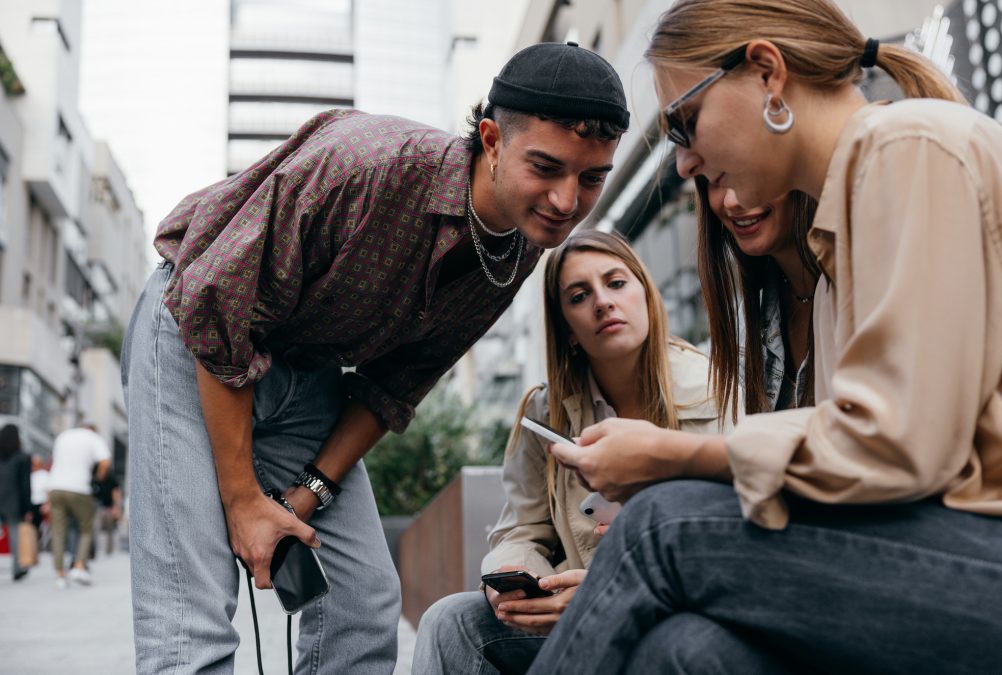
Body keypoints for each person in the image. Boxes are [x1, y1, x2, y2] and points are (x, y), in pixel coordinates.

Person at [527, 1, 1002, 673]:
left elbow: (900, 445)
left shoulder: (910, 148)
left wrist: (677, 456)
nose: (683, 163)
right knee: (686, 651)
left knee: (659, 528)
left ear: (767, 73)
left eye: (684, 122)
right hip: (979, 549)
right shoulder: (836, 261)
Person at [121, 41, 629, 674]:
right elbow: (220, 309)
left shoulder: (520, 247)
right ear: (493, 139)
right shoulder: (367, 163)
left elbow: (396, 384)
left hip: (307, 374)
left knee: (363, 600)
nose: (564, 201)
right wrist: (244, 499)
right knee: (191, 613)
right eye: (546, 168)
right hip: (195, 333)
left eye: (591, 178)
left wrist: (308, 492)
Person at [412, 230, 727, 674]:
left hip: (682, 608)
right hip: (579, 613)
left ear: (647, 296)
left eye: (616, 283)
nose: (602, 302)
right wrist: (519, 584)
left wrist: (610, 586)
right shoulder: (546, 413)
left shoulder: (720, 389)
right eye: (579, 296)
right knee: (451, 621)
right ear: (568, 330)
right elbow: (520, 531)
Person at [695, 180, 819, 415]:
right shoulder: (744, 326)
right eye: (714, 180)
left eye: (740, 170)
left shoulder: (863, 281)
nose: (731, 202)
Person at [47, 423, 111, 588]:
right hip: (79, 488)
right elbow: (105, 463)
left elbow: (54, 461)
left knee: (58, 531)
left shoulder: (63, 436)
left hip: (55, 486)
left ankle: (60, 575)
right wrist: (97, 479)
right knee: (86, 529)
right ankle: (79, 566)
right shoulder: (93, 437)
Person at [0, 424, 33, 581]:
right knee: (14, 534)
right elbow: (25, 484)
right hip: (13, 501)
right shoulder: (22, 457)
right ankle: (17, 568)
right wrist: (28, 507)